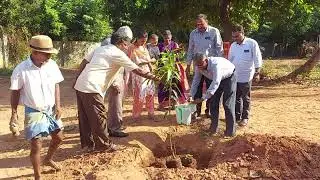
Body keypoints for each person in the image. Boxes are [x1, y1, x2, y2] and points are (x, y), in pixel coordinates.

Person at [74, 26, 158, 151]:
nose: (127, 47)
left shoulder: (100, 49)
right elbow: (138, 70)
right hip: (92, 87)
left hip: (81, 85)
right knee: (99, 117)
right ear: (120, 43)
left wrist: (77, 78)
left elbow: (84, 62)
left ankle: (87, 145)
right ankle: (104, 145)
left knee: (85, 118)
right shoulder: (118, 53)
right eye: (126, 44)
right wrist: (157, 78)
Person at [9, 35, 64, 180]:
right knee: (36, 145)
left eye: (50, 53)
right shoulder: (21, 69)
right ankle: (37, 176)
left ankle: (48, 159)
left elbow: (56, 85)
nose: (49, 56)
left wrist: (58, 105)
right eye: (46, 53)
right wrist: (14, 113)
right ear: (34, 52)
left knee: (58, 138)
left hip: (51, 109)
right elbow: (15, 91)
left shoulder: (51, 65)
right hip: (33, 110)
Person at [186, 14, 224, 118]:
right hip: (197, 66)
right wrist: (188, 64)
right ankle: (196, 111)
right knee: (197, 87)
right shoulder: (193, 33)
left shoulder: (214, 31)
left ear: (206, 22)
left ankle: (209, 111)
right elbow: (190, 49)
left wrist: (219, 63)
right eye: (198, 24)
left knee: (210, 87)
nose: (200, 26)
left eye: (201, 24)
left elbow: (219, 49)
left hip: (210, 66)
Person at [191, 52, 236, 138]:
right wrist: (191, 95)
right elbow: (196, 80)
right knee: (213, 103)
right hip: (213, 79)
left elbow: (216, 82)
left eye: (201, 64)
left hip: (229, 78)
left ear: (206, 60)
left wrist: (203, 98)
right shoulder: (198, 67)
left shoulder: (216, 65)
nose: (199, 67)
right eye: (197, 65)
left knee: (227, 104)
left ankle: (230, 132)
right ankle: (213, 128)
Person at [228, 24, 263, 127]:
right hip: (235, 75)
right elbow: (230, 60)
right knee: (236, 97)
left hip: (247, 75)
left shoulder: (251, 43)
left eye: (237, 36)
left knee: (245, 97)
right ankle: (237, 117)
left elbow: (257, 58)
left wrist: (257, 73)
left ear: (243, 33)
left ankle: (245, 118)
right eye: (233, 37)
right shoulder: (233, 45)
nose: (235, 39)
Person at [127, 29, 156, 120]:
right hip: (138, 74)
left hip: (148, 74)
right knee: (139, 95)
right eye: (142, 40)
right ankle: (136, 115)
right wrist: (150, 60)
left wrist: (151, 67)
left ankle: (151, 112)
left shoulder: (144, 47)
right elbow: (136, 62)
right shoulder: (132, 48)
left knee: (150, 93)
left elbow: (148, 60)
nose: (143, 42)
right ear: (137, 38)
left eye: (145, 40)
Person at [157, 30, 189, 110]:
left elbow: (179, 57)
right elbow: (157, 57)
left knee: (175, 86)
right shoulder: (160, 46)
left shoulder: (174, 44)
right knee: (162, 87)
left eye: (168, 38)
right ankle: (162, 105)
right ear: (163, 38)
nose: (167, 40)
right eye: (165, 39)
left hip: (173, 68)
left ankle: (174, 103)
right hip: (163, 70)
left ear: (171, 37)